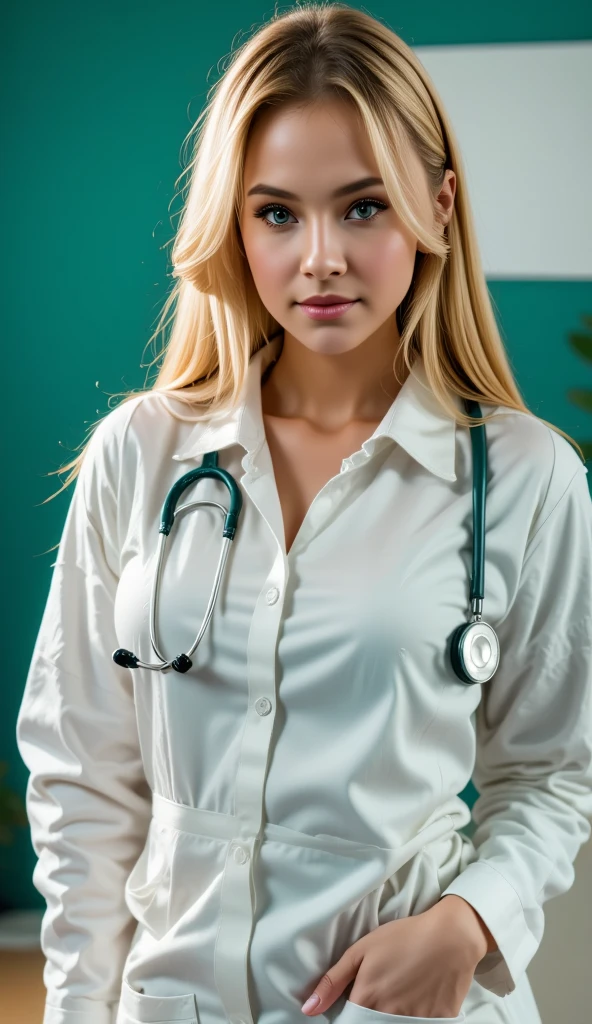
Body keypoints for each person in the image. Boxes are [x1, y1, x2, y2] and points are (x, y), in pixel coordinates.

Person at [16, 4, 592, 1024]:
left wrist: (467, 922)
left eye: (362, 208)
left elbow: (553, 773)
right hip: (170, 999)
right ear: (233, 225)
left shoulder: (525, 476)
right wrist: (75, 1006)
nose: (319, 257)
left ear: (438, 206)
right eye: (277, 212)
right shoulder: (140, 455)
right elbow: (82, 780)